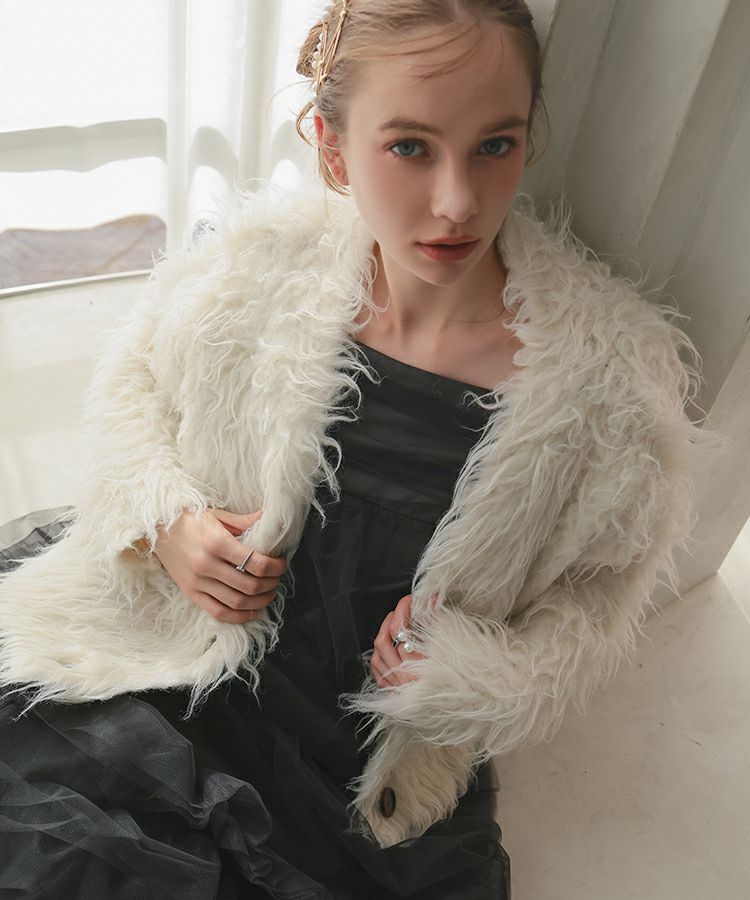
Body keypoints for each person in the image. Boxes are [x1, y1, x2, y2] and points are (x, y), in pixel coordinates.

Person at [0, 1, 725, 897]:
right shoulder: (257, 271)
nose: (457, 202)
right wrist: (167, 523)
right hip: (180, 668)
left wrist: (469, 673)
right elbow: (136, 384)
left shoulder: (604, 388)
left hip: (354, 755)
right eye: (410, 147)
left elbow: (596, 601)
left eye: (494, 145)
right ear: (334, 150)